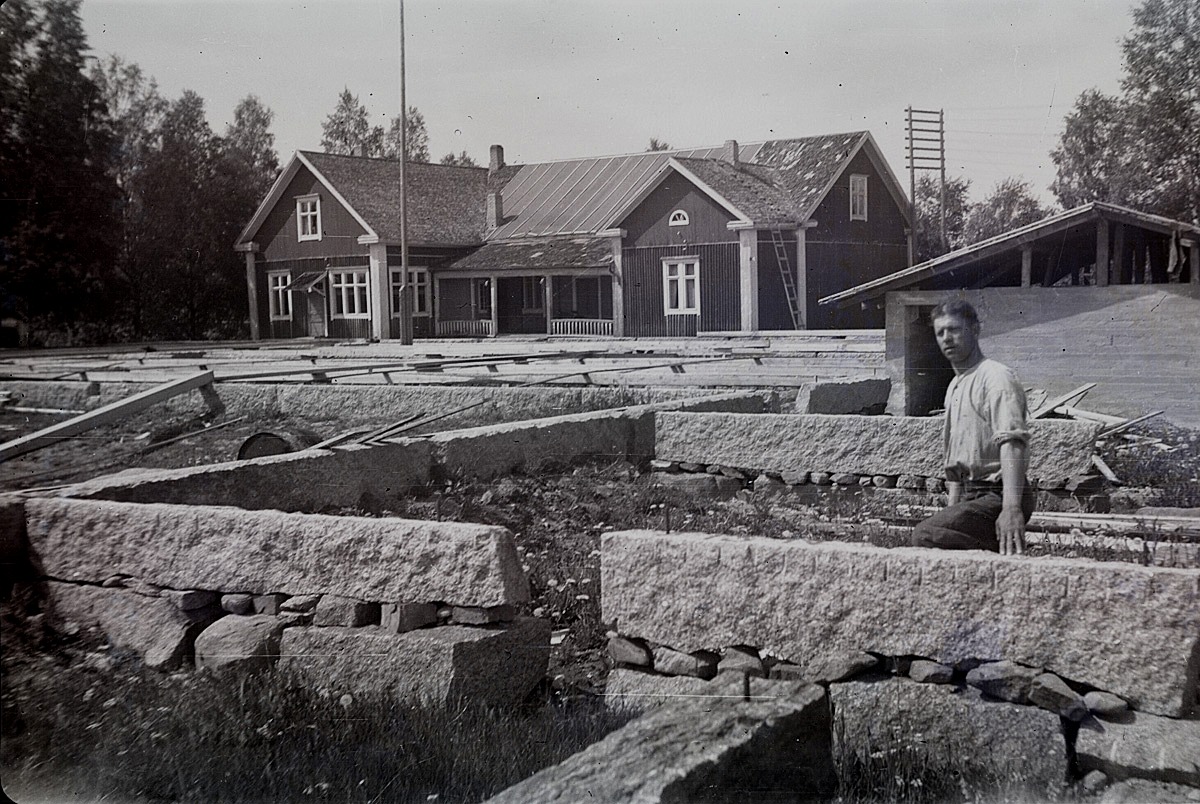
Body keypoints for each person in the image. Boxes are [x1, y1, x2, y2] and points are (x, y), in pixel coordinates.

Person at [911, 300, 1035, 555]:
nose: (947, 338)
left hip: (999, 495)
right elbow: (957, 464)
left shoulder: (995, 377)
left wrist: (1011, 509)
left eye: (954, 329)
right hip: (972, 493)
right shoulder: (955, 385)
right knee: (947, 547)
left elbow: (1012, 443)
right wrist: (951, 509)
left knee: (925, 535)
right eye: (940, 332)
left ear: (975, 330)